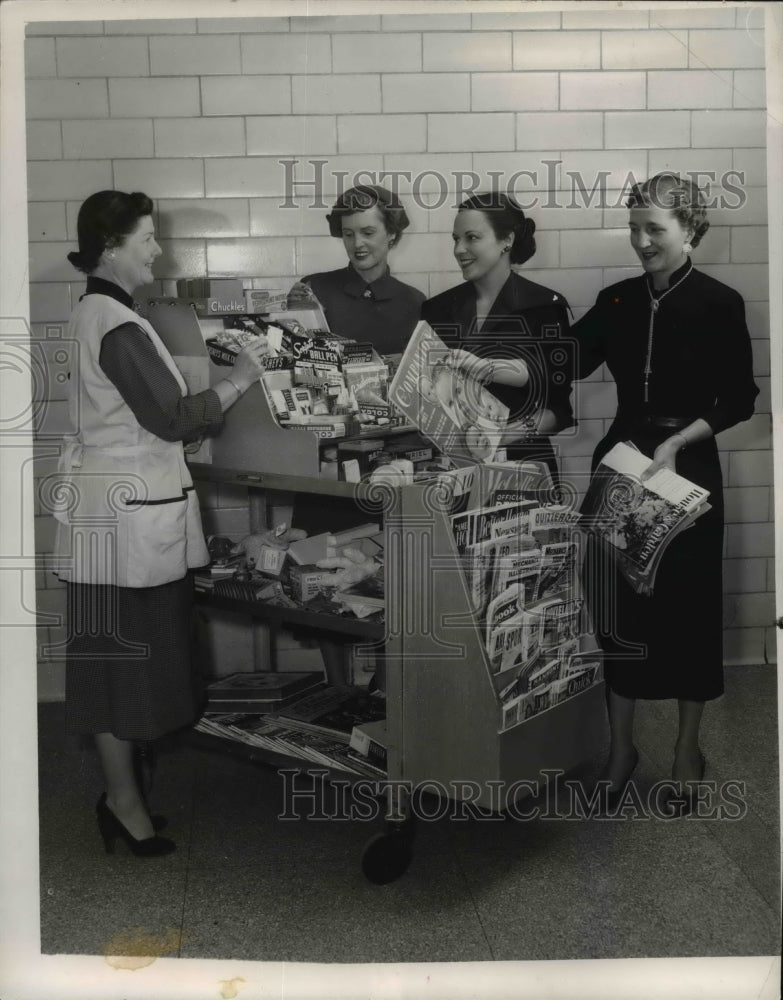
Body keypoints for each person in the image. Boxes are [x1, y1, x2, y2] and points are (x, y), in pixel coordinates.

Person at [53, 190, 272, 856]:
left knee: (118, 659)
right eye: (147, 238)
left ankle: (125, 793)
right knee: (123, 662)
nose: (157, 250)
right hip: (124, 519)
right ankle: (123, 803)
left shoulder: (107, 312)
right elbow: (170, 419)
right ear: (111, 245)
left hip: (111, 511)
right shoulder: (113, 321)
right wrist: (244, 379)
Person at [572, 173, 759, 813]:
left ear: (690, 230)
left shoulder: (719, 301)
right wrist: (491, 360)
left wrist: (680, 442)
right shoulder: (618, 300)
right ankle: (621, 749)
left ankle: (686, 750)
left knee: (687, 610)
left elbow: (740, 399)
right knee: (620, 613)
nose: (641, 240)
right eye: (635, 228)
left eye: (655, 228)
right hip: (624, 466)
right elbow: (566, 358)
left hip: (687, 472)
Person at [421, 191, 576, 484]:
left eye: (472, 237)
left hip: (524, 467)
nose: (459, 249)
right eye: (455, 238)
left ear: (507, 240)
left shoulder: (544, 308)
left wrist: (500, 437)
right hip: (453, 470)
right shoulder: (435, 309)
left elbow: (559, 409)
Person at [291, 183, 425, 355]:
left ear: (391, 233)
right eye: (348, 234)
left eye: (368, 233)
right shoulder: (315, 288)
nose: (357, 244)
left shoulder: (415, 302)